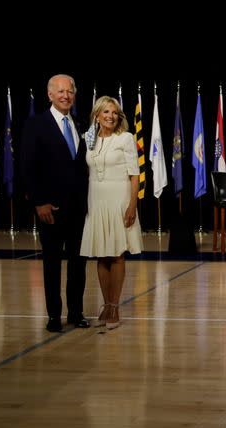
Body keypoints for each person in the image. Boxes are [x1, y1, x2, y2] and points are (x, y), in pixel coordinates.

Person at [20, 74, 90, 333]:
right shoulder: (36, 125)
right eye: (60, 91)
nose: (65, 96)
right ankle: (53, 315)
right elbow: (28, 168)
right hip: (51, 209)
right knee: (51, 264)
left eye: (70, 91)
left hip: (79, 209)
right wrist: (39, 203)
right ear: (49, 95)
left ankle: (76, 313)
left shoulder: (81, 123)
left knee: (78, 264)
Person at [80, 96, 143, 330]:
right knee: (101, 254)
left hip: (119, 200)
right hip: (96, 201)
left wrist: (132, 205)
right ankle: (106, 306)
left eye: (115, 113)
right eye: (106, 112)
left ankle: (115, 307)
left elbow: (135, 174)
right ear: (97, 116)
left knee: (116, 253)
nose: (110, 116)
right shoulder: (88, 140)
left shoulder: (125, 138)